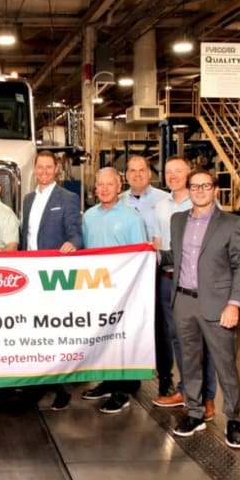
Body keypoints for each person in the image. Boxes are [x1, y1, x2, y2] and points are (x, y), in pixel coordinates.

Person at [161, 169, 240, 449]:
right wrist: (145, 252)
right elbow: (175, 258)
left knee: (226, 365)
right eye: (195, 186)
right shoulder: (177, 221)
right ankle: (195, 412)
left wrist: (234, 304)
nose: (200, 190)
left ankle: (234, 419)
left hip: (218, 305)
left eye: (206, 185)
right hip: (184, 302)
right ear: (188, 190)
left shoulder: (232, 223)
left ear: (215, 189)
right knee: (190, 362)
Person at [152, 156, 217, 422]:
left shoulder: (203, 201)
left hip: (198, 283)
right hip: (169, 281)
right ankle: (186, 390)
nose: (173, 176)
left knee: (204, 340)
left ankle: (207, 398)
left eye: (179, 171)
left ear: (190, 173)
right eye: (168, 172)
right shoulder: (161, 206)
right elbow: (157, 244)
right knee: (179, 337)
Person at [78, 168, 148, 414]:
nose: (104, 189)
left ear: (119, 187)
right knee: (103, 339)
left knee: (121, 340)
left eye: (110, 184)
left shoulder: (132, 217)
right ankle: (107, 382)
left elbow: (141, 255)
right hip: (97, 289)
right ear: (95, 188)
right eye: (100, 184)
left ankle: (121, 392)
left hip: (123, 291)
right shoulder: (89, 216)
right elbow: (87, 250)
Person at [20, 151, 83, 410]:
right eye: (40, 167)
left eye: (49, 167)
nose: (44, 171)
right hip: (31, 275)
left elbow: (77, 235)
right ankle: (37, 383)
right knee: (34, 331)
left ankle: (62, 388)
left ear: (56, 169)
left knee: (56, 334)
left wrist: (72, 244)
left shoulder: (67, 198)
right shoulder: (27, 199)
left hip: (54, 277)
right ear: (35, 169)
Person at [117, 154, 173, 399]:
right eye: (132, 171)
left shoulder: (164, 200)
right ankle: (131, 379)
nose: (137, 175)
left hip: (158, 273)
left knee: (161, 327)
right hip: (128, 278)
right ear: (126, 175)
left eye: (141, 170)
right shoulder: (118, 202)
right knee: (128, 326)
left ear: (149, 173)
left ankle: (165, 379)